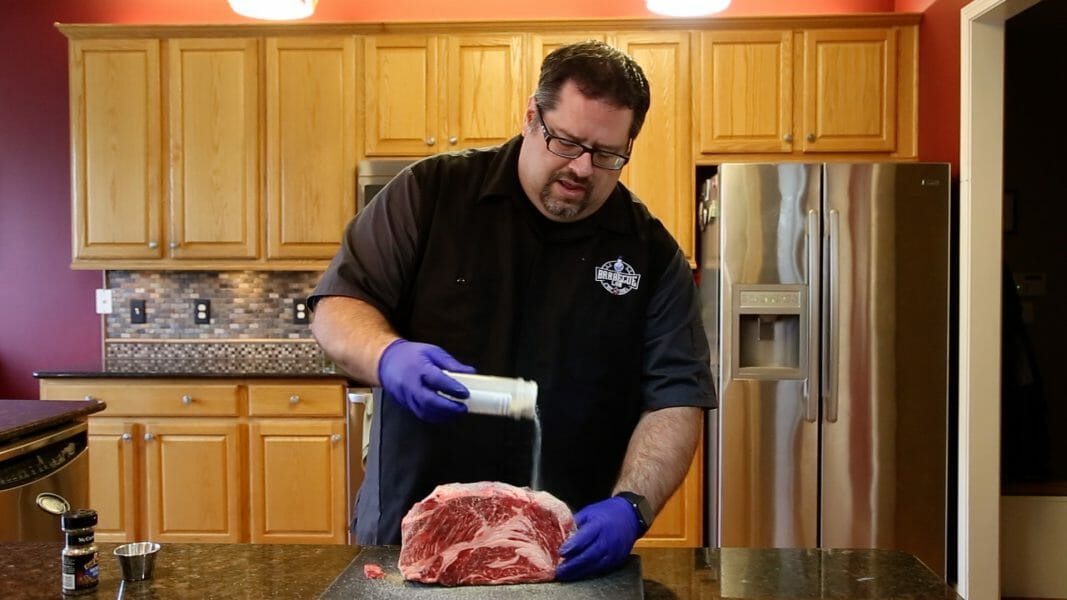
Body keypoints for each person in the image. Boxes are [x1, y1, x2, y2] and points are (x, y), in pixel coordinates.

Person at [309, 40, 715, 581]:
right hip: (415, 538)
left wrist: (632, 505)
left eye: (608, 154)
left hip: (562, 551)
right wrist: (387, 355)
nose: (582, 168)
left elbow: (676, 397)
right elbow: (338, 304)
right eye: (566, 142)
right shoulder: (431, 194)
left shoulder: (650, 252)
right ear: (531, 117)